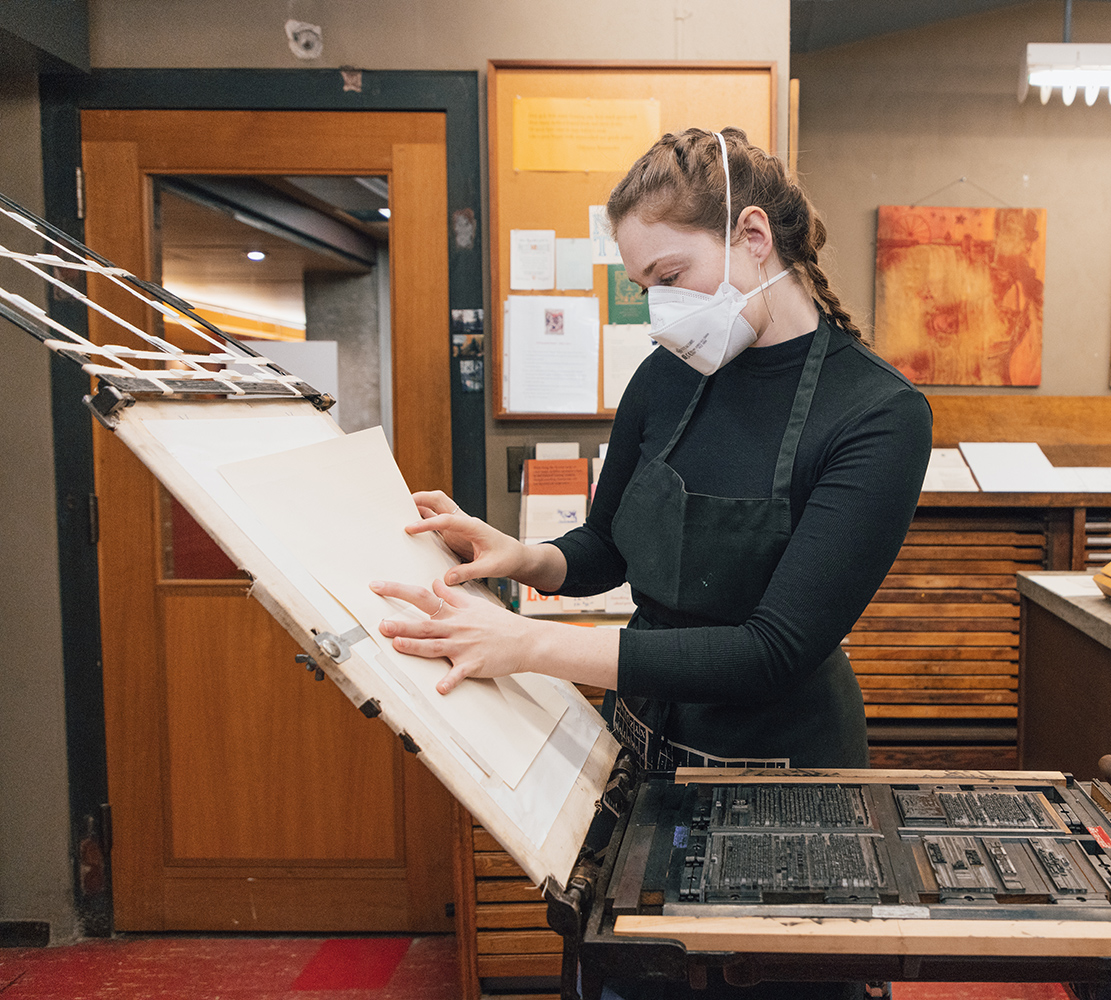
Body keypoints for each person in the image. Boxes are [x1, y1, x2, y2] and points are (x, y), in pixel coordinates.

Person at [372, 130, 929, 995]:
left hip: (782, 778)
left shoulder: (877, 414)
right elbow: (607, 547)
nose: (655, 309)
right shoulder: (668, 375)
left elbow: (771, 649)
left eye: (668, 278)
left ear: (752, 236)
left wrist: (528, 645)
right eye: (641, 288)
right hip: (638, 758)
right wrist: (523, 555)